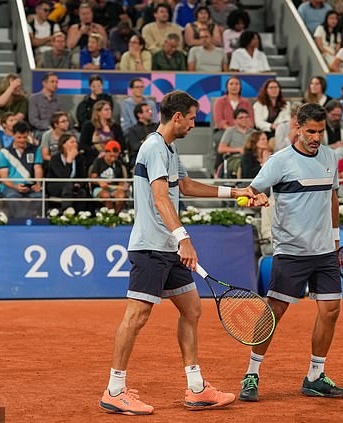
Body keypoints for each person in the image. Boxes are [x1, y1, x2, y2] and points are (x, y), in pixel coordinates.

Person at [100, 90, 265, 416]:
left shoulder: (169, 149)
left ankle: (196, 387)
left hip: (168, 247)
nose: (193, 124)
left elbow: (185, 187)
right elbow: (161, 198)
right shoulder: (154, 147)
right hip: (151, 247)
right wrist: (184, 238)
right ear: (177, 117)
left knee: (191, 309)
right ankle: (114, 389)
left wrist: (235, 192)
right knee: (137, 316)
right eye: (191, 118)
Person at [238, 102, 343, 405]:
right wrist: (254, 198)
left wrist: (336, 238)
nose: (316, 137)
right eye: (310, 131)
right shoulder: (280, 161)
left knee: (331, 311)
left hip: (325, 250)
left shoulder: (330, 157)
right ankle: (251, 373)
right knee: (274, 312)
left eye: (320, 132)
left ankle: (315, 376)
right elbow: (251, 191)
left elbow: (333, 197)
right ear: (297, 127)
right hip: (291, 252)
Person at [0, 121, 43, 218]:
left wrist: (38, 184)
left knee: (39, 197)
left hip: (30, 187)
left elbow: (38, 168)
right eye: (19, 137)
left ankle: (28, 221)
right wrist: (15, 186)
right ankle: (22, 222)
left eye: (24, 137)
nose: (22, 140)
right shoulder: (4, 152)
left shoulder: (35, 149)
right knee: (13, 197)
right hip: (11, 188)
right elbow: (4, 177)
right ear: (13, 135)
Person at [46, 132, 89, 211]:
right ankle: (67, 212)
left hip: (73, 185)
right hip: (56, 185)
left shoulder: (79, 158)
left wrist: (79, 183)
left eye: (76, 142)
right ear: (63, 144)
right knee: (68, 186)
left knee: (82, 192)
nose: (75, 144)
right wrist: (69, 161)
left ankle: (80, 215)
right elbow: (63, 176)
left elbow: (82, 176)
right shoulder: (55, 159)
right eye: (72, 142)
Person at [79, 100, 125, 167]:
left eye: (110, 109)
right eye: (106, 110)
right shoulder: (88, 126)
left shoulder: (116, 127)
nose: (109, 111)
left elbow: (122, 144)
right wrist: (98, 154)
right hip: (94, 157)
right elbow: (83, 145)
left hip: (113, 157)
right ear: (98, 112)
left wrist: (111, 154)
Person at [89, 140, 128, 213]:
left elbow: (120, 180)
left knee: (121, 196)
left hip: (114, 187)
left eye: (115, 156)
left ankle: (116, 215)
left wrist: (122, 186)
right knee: (106, 195)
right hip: (99, 188)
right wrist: (100, 182)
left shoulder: (118, 164)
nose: (113, 158)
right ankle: (110, 215)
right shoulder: (98, 162)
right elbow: (93, 178)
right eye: (111, 155)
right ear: (106, 152)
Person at [218, 108, 256, 176]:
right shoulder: (230, 131)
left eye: (247, 117)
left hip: (252, 158)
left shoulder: (254, 133)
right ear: (235, 120)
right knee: (244, 164)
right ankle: (242, 184)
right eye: (241, 118)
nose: (244, 119)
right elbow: (221, 149)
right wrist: (238, 149)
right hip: (235, 158)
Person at [29, 72, 60, 137]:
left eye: (56, 82)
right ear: (44, 83)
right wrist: (49, 127)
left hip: (56, 129)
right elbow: (33, 120)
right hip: (40, 130)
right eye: (52, 82)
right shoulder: (34, 98)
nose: (55, 84)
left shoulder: (58, 100)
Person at [125, 102, 157, 167]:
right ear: (140, 114)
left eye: (150, 110)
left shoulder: (156, 127)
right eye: (147, 111)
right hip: (139, 160)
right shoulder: (132, 130)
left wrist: (143, 141)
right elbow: (135, 147)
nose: (150, 112)